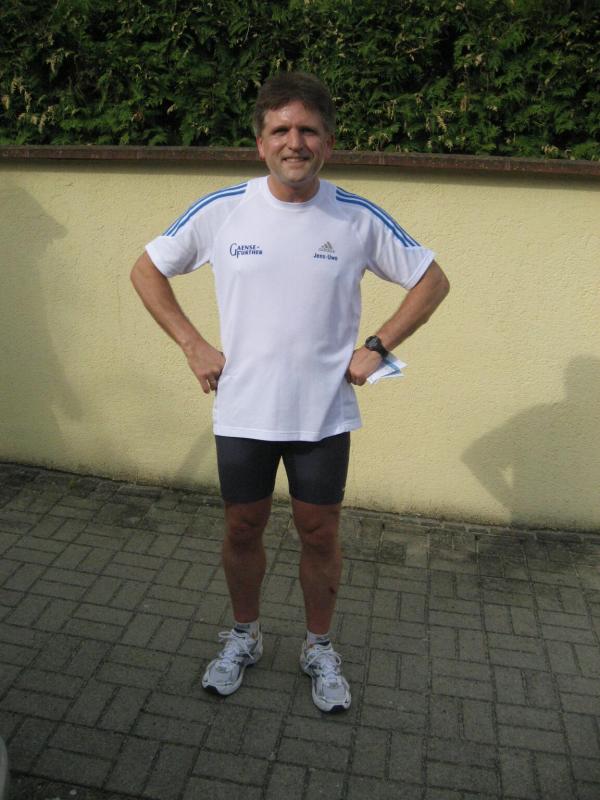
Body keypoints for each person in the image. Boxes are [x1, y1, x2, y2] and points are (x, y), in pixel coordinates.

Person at [130, 72, 449, 713]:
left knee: (319, 533)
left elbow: (432, 280)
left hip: (323, 414)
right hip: (243, 409)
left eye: (308, 130)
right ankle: (244, 635)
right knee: (243, 526)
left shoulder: (355, 216)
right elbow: (146, 270)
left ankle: (318, 647)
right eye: (280, 130)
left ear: (328, 143)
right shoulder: (223, 210)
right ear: (260, 143)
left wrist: (377, 346)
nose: (293, 142)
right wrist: (193, 344)